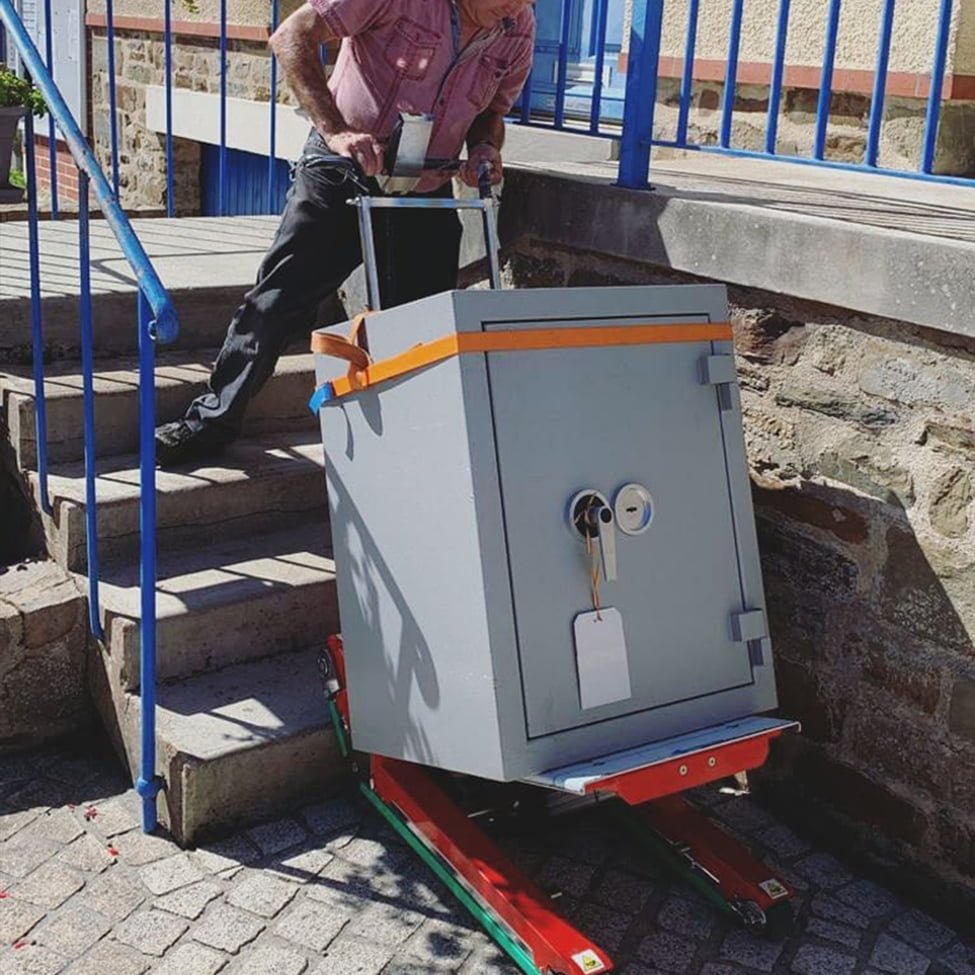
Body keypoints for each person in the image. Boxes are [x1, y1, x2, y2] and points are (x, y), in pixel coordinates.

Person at [155, 0, 536, 466]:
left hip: (425, 183)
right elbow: (290, 37)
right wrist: (334, 129)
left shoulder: (516, 25)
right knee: (278, 300)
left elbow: (491, 113)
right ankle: (211, 423)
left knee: (424, 330)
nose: (521, 5)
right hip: (343, 168)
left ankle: (407, 451)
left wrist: (483, 146)